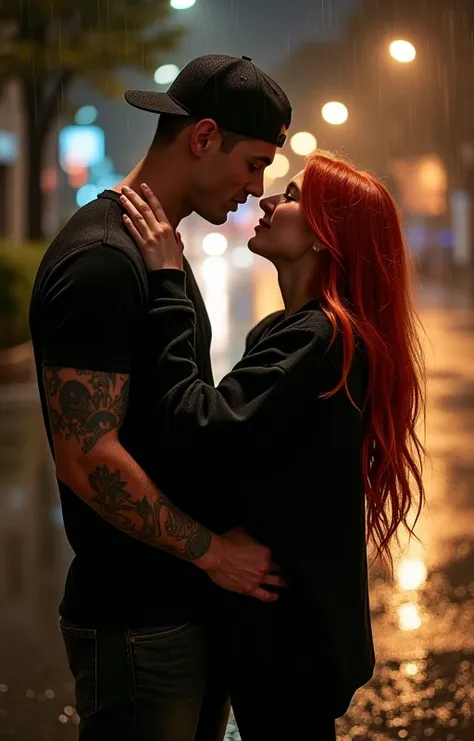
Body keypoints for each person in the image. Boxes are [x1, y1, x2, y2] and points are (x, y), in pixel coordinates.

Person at [119, 150, 427, 740]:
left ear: (323, 235)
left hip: (291, 642)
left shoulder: (319, 338)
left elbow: (196, 426)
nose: (267, 199)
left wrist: (164, 282)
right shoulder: (304, 332)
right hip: (294, 634)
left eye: (290, 196)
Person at [28, 54, 292, 741]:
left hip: (175, 610)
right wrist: (212, 552)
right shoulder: (102, 262)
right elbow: (86, 458)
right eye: (254, 162)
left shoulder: (153, 251)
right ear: (203, 137)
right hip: (136, 621)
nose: (257, 187)